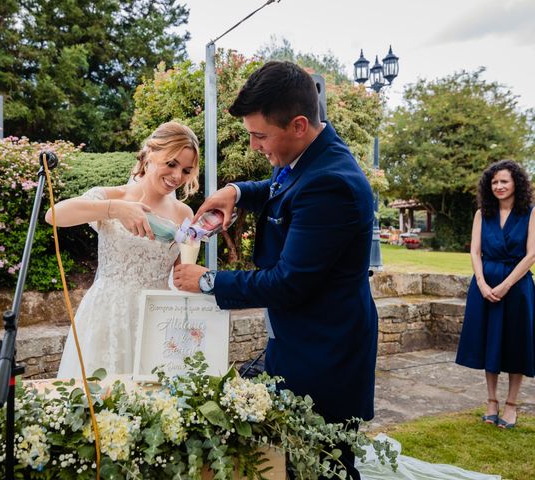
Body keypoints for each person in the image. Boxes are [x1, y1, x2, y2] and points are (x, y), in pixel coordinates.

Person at [173, 61, 378, 479]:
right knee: (292, 462)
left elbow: (287, 283)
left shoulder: (332, 184)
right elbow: (279, 187)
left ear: (299, 124)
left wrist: (207, 281)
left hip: (327, 352)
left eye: (259, 136)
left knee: (326, 466)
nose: (253, 146)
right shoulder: (311, 156)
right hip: (298, 341)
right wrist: (235, 192)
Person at [46, 121, 200, 378]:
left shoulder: (184, 213)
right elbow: (54, 215)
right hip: (109, 314)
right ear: (150, 154)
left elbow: (182, 275)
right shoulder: (112, 196)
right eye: (171, 164)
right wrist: (114, 209)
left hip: (158, 317)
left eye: (186, 170)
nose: (177, 177)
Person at [456, 159, 535, 429]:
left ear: (516, 183)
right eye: (494, 182)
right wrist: (481, 282)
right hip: (485, 285)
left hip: (517, 286)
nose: (499, 186)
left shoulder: (531, 212)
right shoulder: (482, 213)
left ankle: (511, 405)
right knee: (489, 341)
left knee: (515, 343)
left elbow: (532, 254)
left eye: (504, 181)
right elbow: (475, 252)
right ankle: (491, 401)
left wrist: (506, 285)